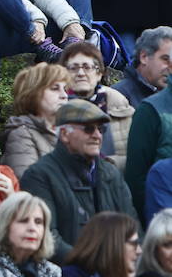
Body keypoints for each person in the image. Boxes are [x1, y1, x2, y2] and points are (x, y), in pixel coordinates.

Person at [22, 99, 136, 257]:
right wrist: (90, 265)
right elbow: (48, 237)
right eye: (89, 129)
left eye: (101, 129)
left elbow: (133, 227)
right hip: (70, 276)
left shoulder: (111, 173)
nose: (97, 135)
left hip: (117, 272)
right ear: (64, 134)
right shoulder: (39, 176)